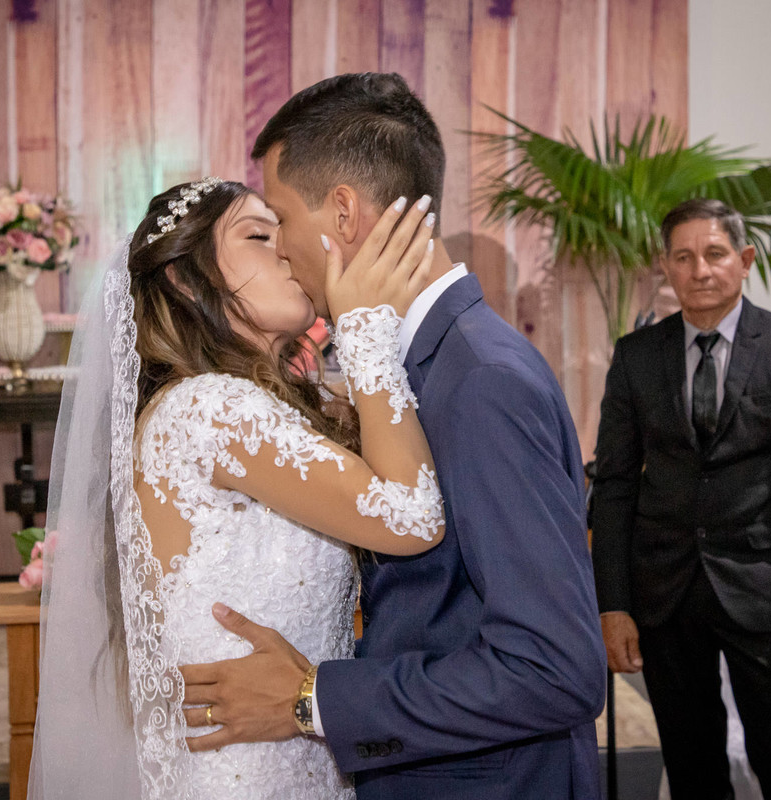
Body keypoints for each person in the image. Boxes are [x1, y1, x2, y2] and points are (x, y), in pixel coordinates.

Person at [180, 73, 607, 799]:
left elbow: (553, 668)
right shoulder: (427, 360)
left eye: (280, 219)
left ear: (343, 213)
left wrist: (312, 700)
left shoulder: (479, 380)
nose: (280, 248)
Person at [27, 175, 451, 799]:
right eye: (257, 236)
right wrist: (366, 331)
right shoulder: (210, 409)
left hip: (295, 757)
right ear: (184, 278)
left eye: (283, 233)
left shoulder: (254, 407)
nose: (286, 251)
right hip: (240, 776)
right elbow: (411, 517)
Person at [591, 197, 771, 800]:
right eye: (683, 257)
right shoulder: (636, 356)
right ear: (665, 266)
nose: (700, 270)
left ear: (745, 259)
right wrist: (615, 605)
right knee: (693, 774)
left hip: (767, 595)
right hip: (666, 597)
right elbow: (615, 486)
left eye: (714, 253)